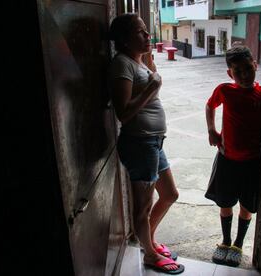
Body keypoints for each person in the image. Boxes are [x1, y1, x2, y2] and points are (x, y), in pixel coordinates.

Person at [108, 13, 184, 274]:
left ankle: (147, 241)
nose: (148, 36)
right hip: (139, 144)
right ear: (125, 40)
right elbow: (124, 113)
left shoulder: (138, 61)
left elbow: (148, 90)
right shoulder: (122, 64)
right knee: (143, 207)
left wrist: (151, 70)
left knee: (170, 194)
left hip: (154, 143)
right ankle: (150, 255)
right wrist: (151, 87)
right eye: (141, 32)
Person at [204, 45, 261, 267]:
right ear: (230, 73)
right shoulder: (225, 90)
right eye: (237, 71)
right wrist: (211, 129)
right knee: (225, 202)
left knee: (247, 206)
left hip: (252, 162)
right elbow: (210, 105)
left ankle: (238, 244)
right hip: (227, 159)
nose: (244, 75)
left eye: (248, 69)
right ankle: (226, 241)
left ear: (255, 66)